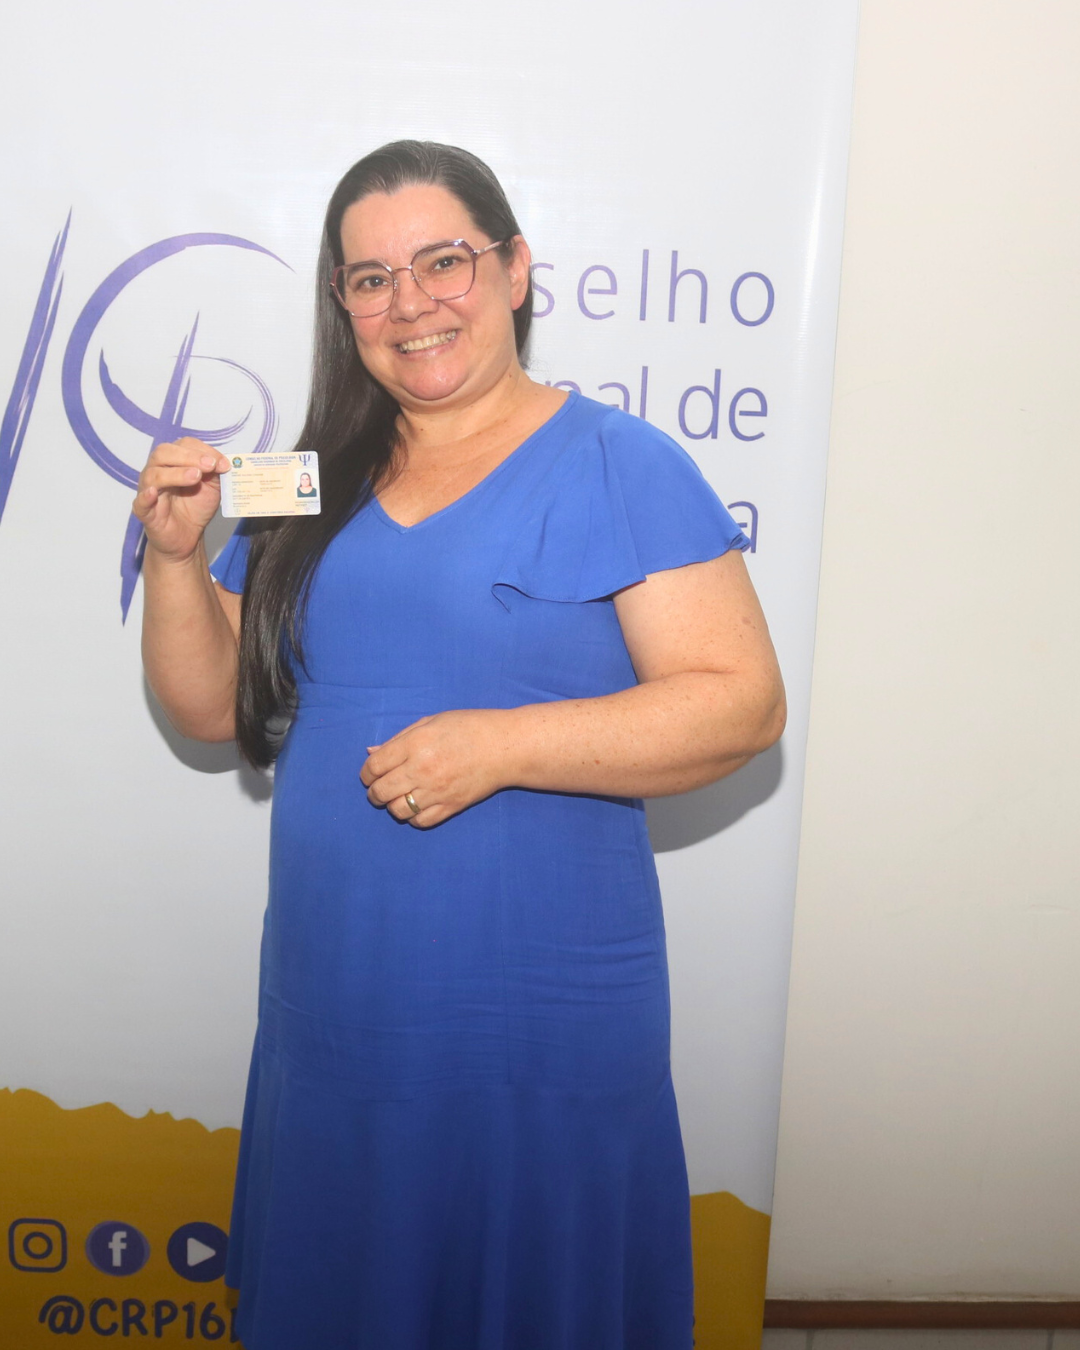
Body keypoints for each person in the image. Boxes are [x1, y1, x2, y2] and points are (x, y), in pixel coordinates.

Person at [134, 140, 785, 1350]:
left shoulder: (621, 463)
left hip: (537, 1021)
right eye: (371, 278)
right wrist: (176, 561)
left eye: (444, 262)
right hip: (339, 1007)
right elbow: (212, 709)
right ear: (342, 305)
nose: (410, 302)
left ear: (515, 270)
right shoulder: (303, 479)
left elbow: (741, 706)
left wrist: (502, 746)